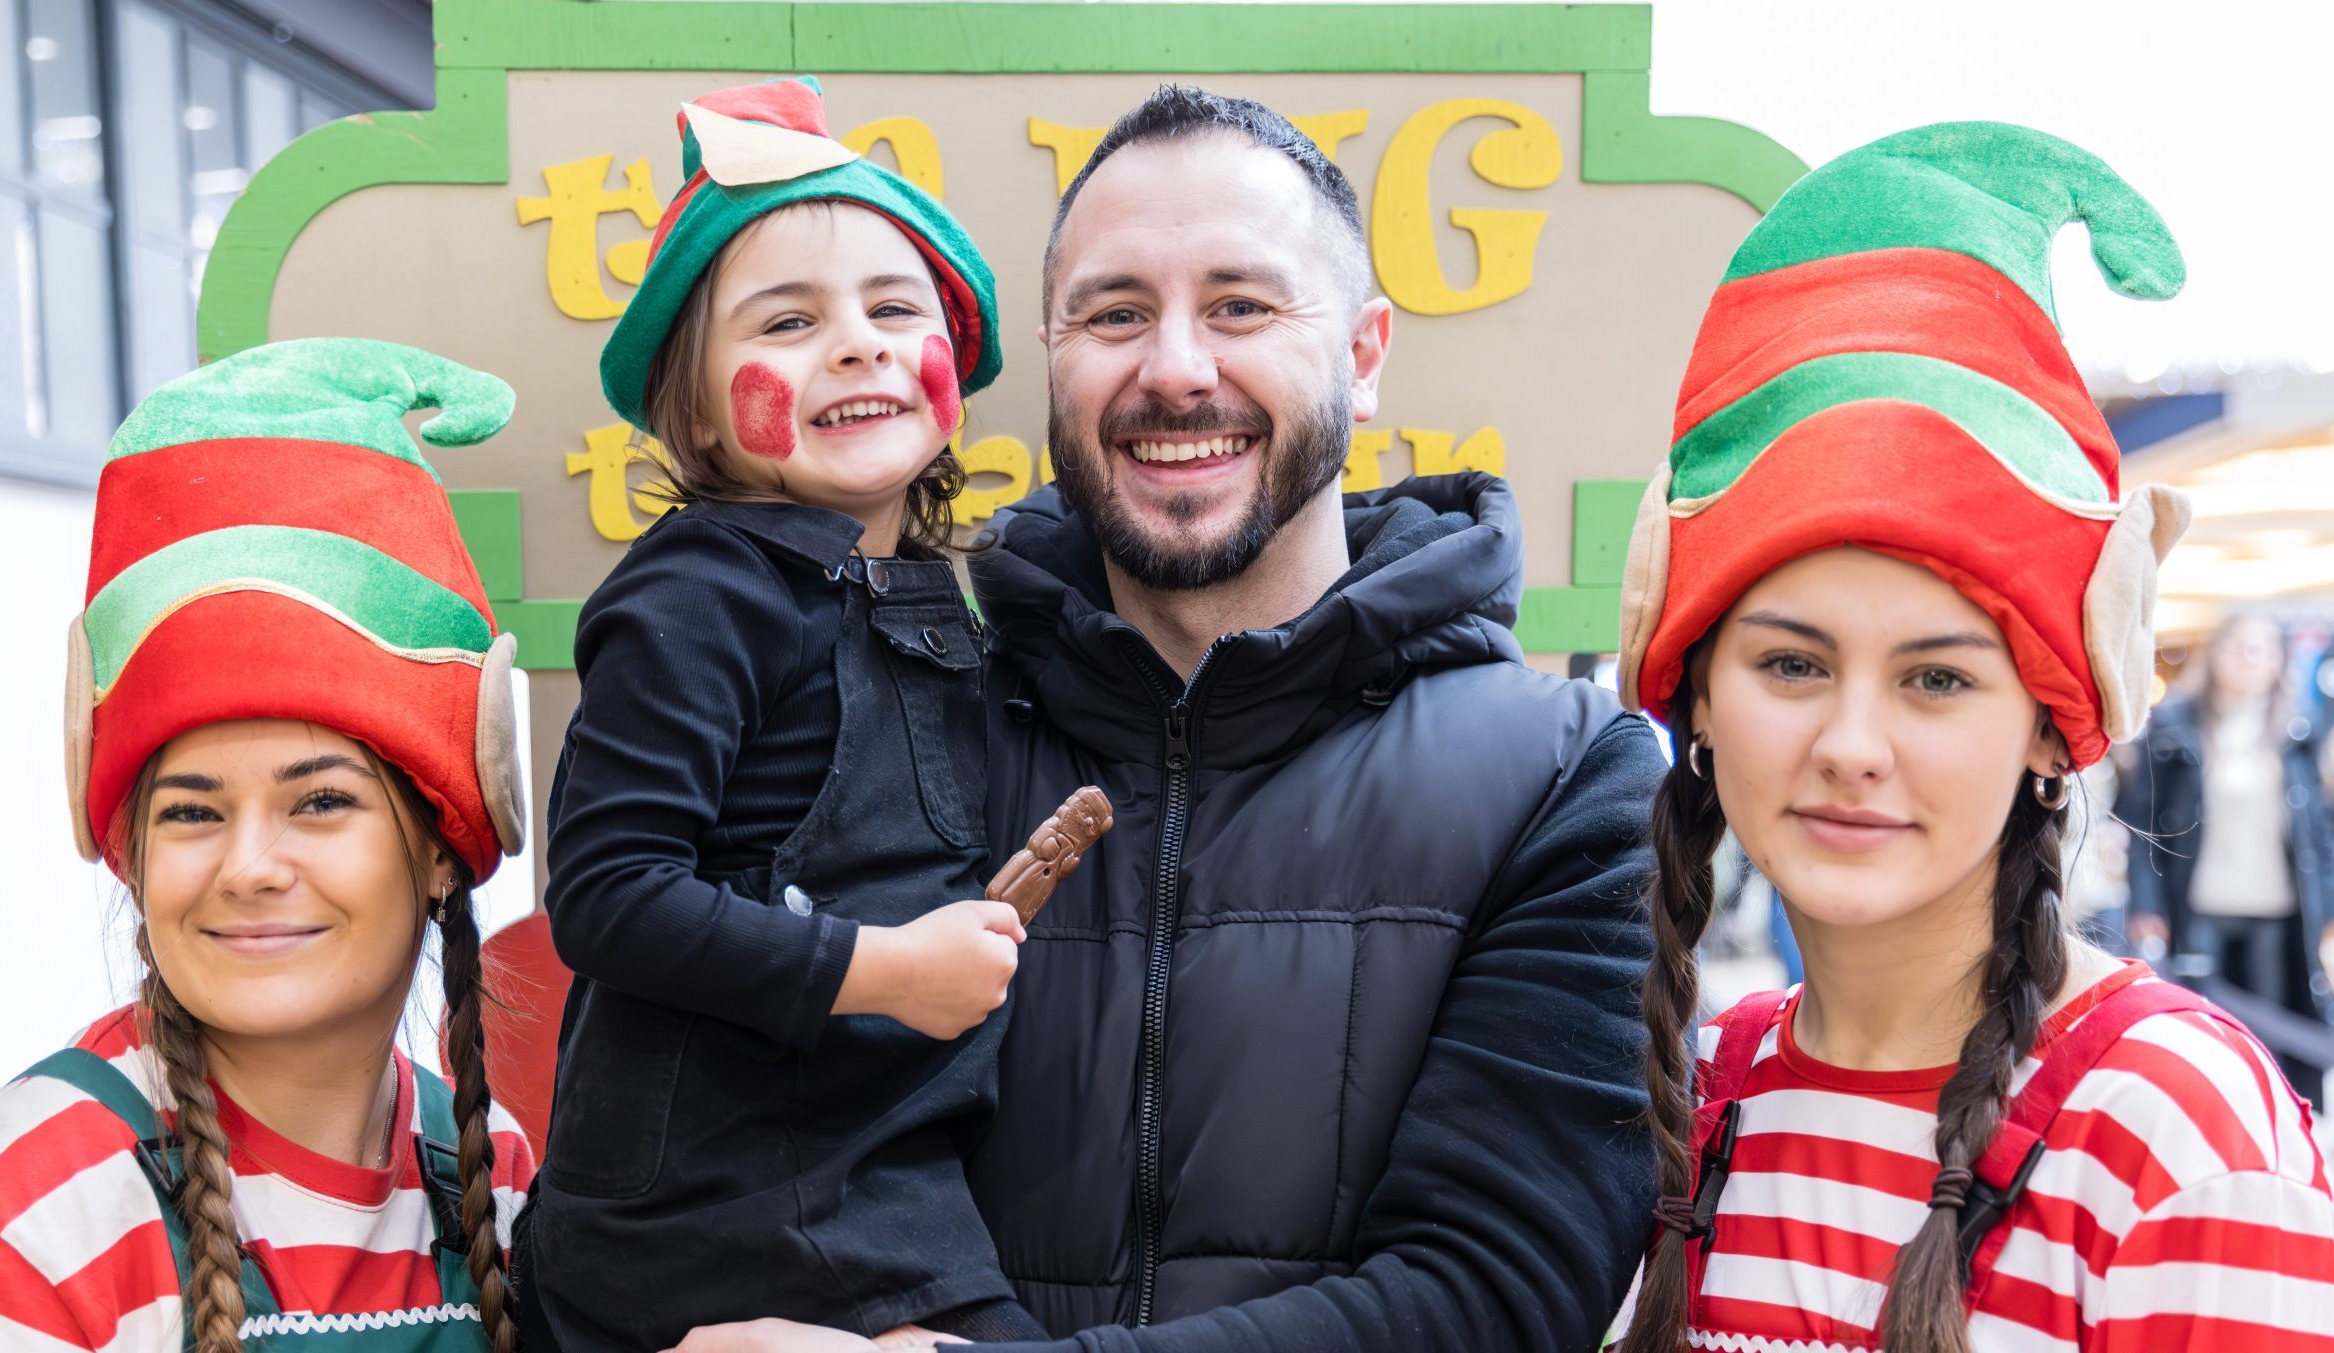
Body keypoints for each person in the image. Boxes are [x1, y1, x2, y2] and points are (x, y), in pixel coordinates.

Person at [677, 83, 1665, 1353]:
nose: (1176, 370)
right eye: (1114, 313)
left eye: (1241, 307)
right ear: (1051, 357)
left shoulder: (1565, 779)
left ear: (1362, 358)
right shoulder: (890, 708)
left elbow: (1500, 1293)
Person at [1612, 122, 2334, 1353]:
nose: (1850, 742)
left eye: (1935, 680)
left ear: (2052, 733)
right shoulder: (1700, 1094)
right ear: (1696, 703)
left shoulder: (2173, 1128)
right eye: (1791, 663)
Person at [0, 338, 538, 1352]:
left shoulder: (490, 1171)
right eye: (192, 812)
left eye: (320, 803)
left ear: (437, 849)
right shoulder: (16, 1206)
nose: (248, 866)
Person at [524, 76, 1051, 1351]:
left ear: (953, 379)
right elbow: (605, 891)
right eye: (789, 321)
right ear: (696, 408)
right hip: (705, 1208)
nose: (859, 344)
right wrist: (887, 971)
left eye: (891, 308)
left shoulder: (945, 605)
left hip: (876, 1172)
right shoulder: (698, 590)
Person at [2118, 611, 2334, 1085]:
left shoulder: (2299, 731)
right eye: (2237, 645)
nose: (2249, 657)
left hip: (2276, 910)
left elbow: (2318, 831)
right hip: (2199, 907)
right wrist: (2145, 901)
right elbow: (2141, 823)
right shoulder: (2173, 728)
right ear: (2214, 653)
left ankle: (2275, 1127)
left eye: (2262, 648)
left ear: (2280, 661)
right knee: (2205, 1030)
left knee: (2274, 1036)